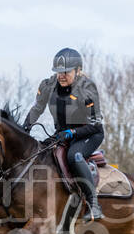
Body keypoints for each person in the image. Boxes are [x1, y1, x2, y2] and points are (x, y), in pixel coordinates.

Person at [23, 47, 104, 220]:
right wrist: (25, 128)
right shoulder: (48, 85)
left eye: (66, 72)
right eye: (58, 71)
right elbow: (37, 109)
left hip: (88, 133)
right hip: (62, 133)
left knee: (73, 155)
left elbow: (96, 125)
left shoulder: (87, 89)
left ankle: (94, 204)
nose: (61, 76)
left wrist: (72, 132)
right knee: (41, 152)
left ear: (78, 70)